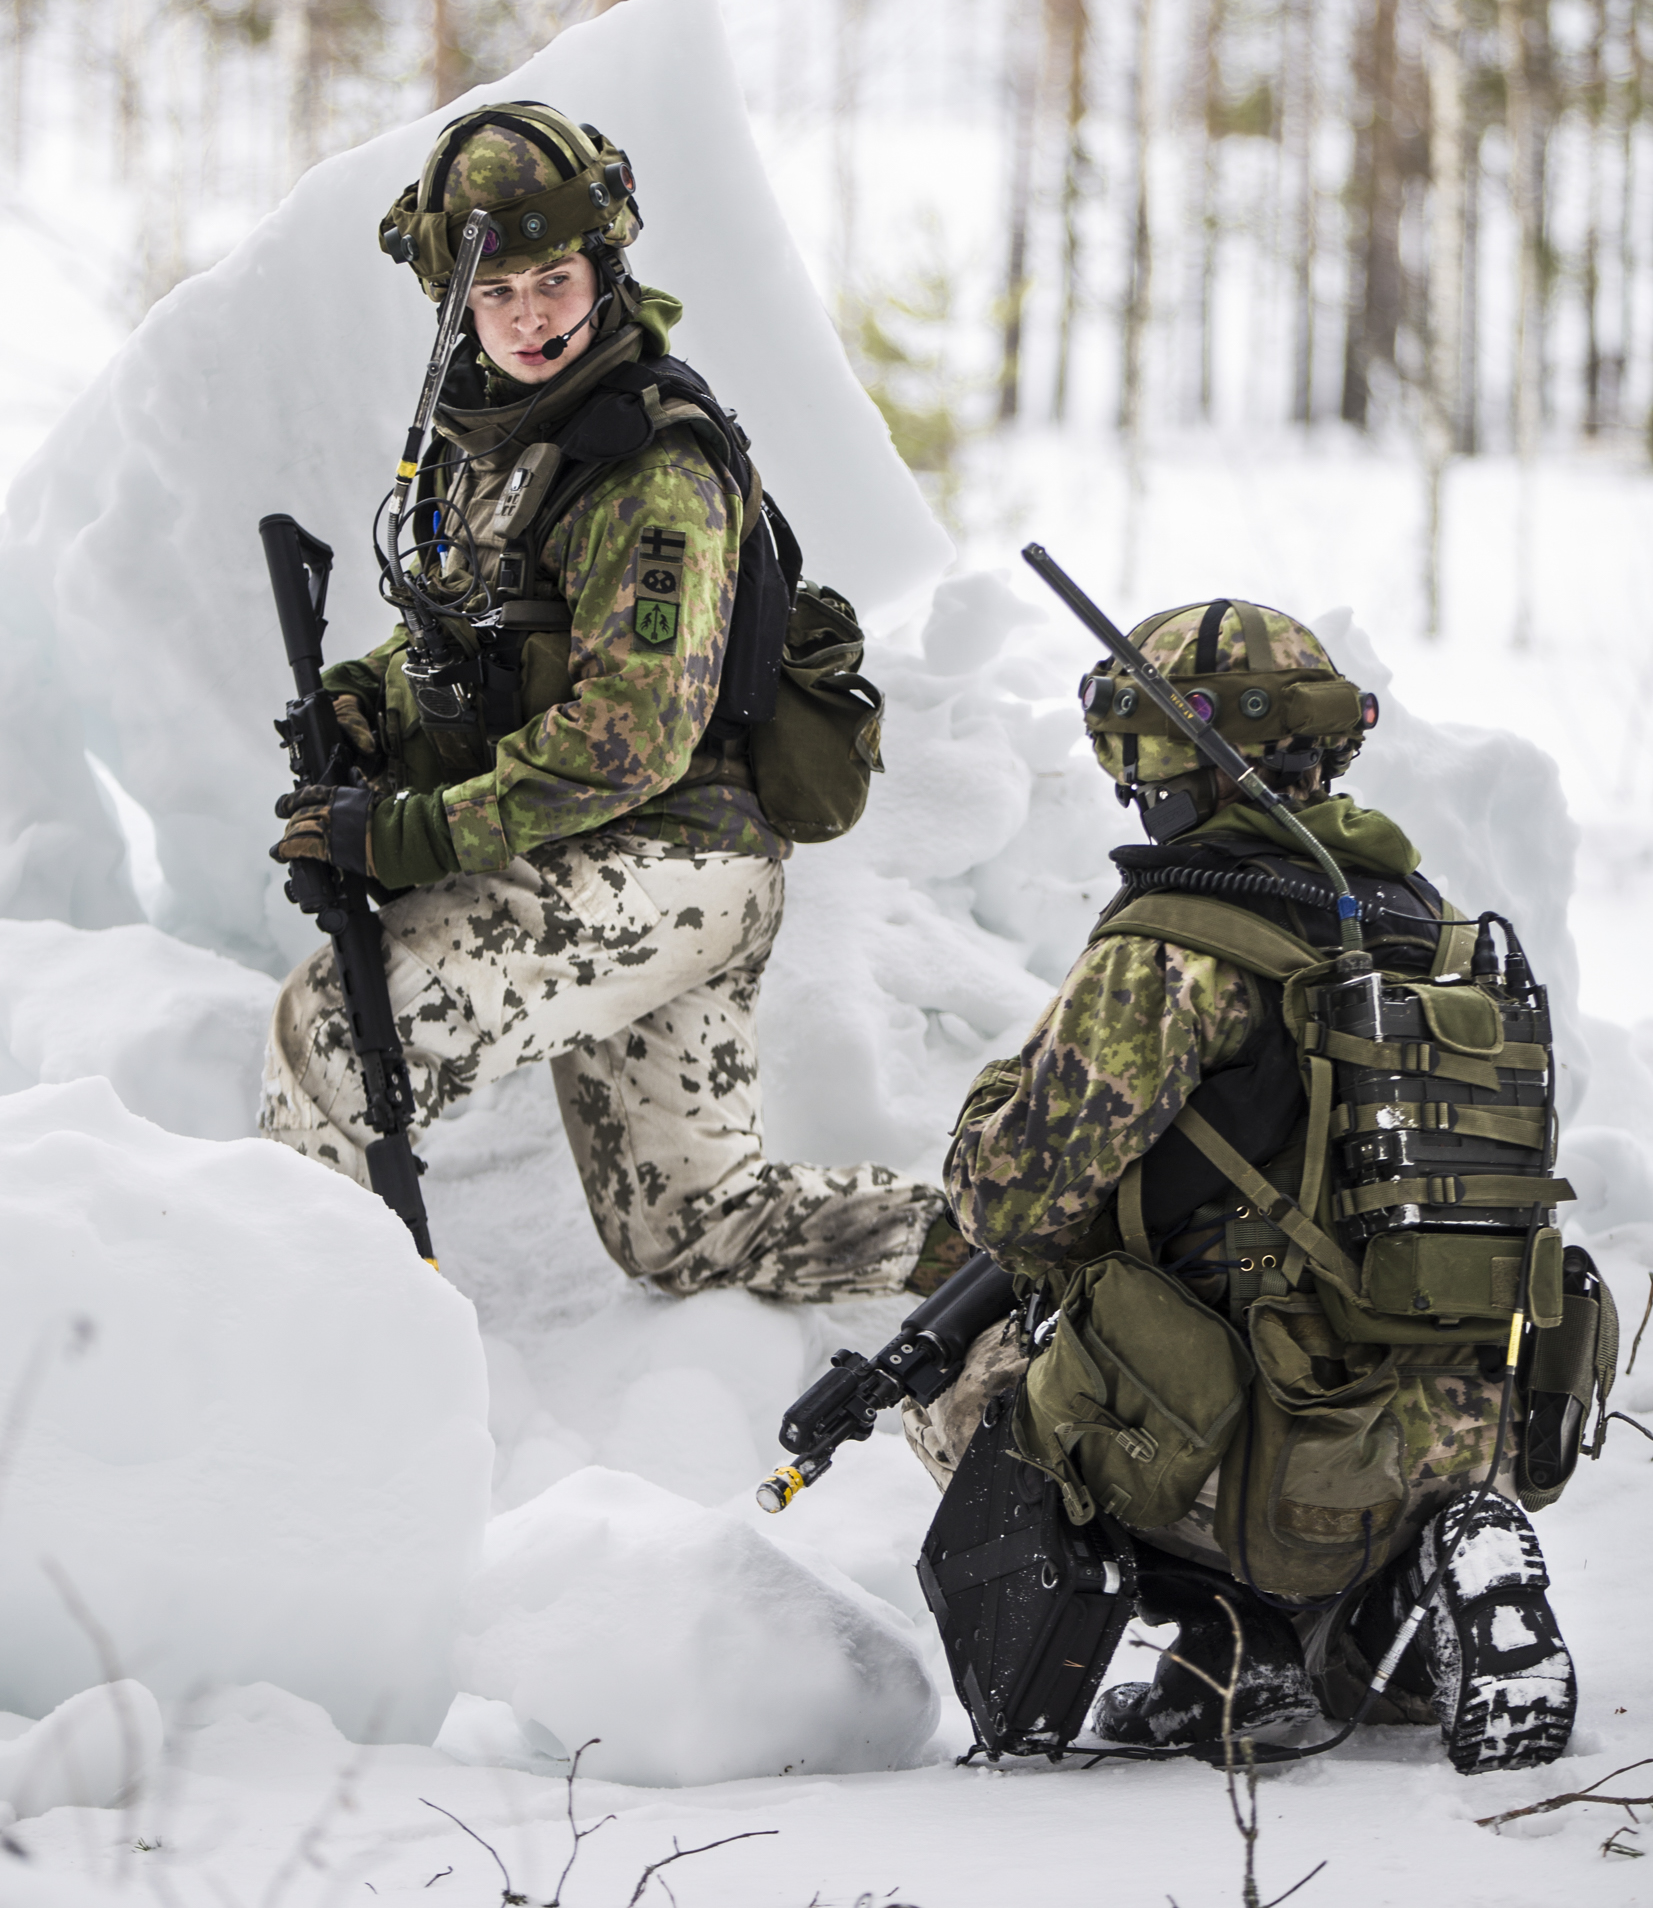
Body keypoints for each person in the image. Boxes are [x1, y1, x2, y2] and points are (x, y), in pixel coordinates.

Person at [259, 100, 964, 1302]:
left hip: (678, 852)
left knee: (335, 1031)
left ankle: (306, 1359)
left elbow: (627, 739)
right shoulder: (493, 440)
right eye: (498, 293)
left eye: (554, 277)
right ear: (455, 304)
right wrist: (366, 701)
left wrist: (414, 833)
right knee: (690, 1229)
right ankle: (986, 1257)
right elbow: (479, 621)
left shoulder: (649, 470)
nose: (530, 316)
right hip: (607, 854)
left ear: (605, 266)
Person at [916, 598, 1592, 1775]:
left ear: (1168, 762)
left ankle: (1224, 1639)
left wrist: (991, 1097)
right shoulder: (1433, 933)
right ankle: (1391, 1605)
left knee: (959, 1379)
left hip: (1277, 1458)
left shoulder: (1171, 944)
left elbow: (1011, 1201)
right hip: (1467, 1434)